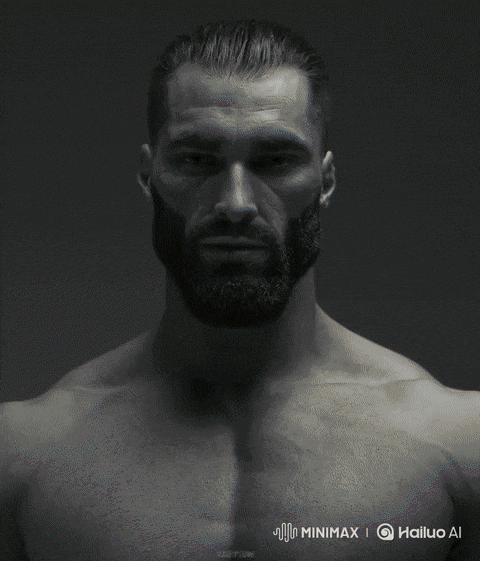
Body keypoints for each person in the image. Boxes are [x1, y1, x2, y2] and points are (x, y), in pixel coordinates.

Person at [1, 19, 479, 561]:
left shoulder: (457, 447)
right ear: (149, 176)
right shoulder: (26, 457)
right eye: (195, 160)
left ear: (325, 181)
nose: (235, 203)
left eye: (275, 162)